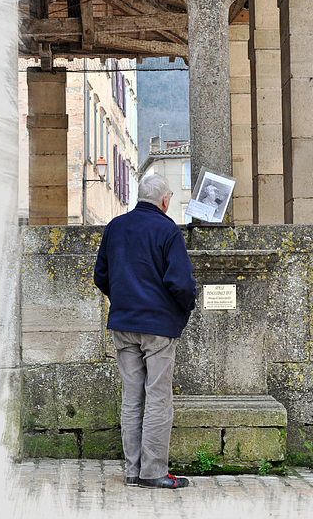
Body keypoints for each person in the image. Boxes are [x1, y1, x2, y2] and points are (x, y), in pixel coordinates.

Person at [94, 173, 196, 489]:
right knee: (158, 397)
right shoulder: (168, 230)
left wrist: (123, 300)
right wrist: (183, 309)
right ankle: (152, 472)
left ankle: (132, 471)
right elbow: (181, 284)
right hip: (158, 326)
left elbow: (101, 276)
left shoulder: (115, 228)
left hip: (124, 324)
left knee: (132, 397)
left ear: (140, 196)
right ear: (165, 200)